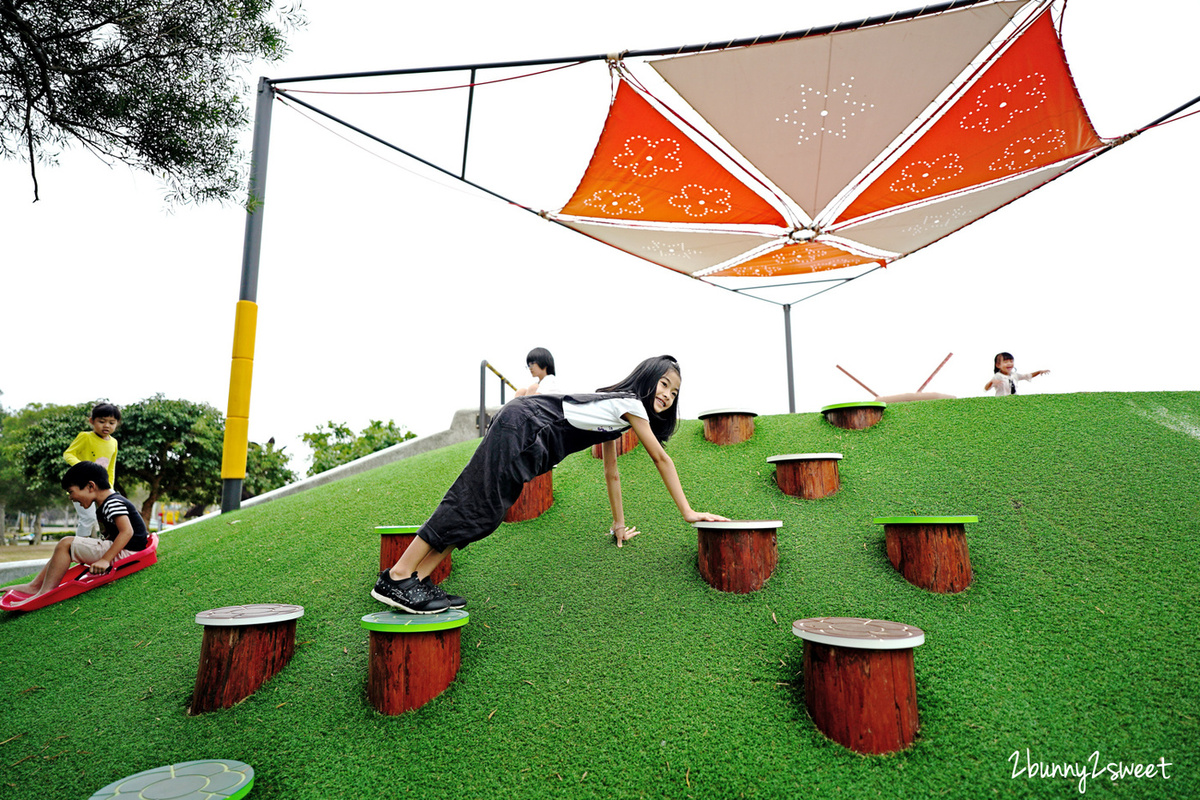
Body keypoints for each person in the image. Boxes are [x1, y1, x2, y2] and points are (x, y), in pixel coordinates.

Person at [371, 354, 728, 614]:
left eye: (674, 392)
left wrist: (618, 524)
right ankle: (399, 576)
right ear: (648, 379)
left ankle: (416, 583)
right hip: (524, 428)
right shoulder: (630, 404)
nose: (667, 394)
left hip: (527, 438)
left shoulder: (616, 412)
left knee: (485, 513)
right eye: (664, 384)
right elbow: (660, 458)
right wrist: (688, 511)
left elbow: (611, 471)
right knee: (473, 502)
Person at [7, 461, 150, 601]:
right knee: (65, 546)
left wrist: (105, 560)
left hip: (128, 553)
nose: (70, 497)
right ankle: (34, 586)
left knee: (66, 544)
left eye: (71, 492)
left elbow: (127, 532)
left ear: (90, 486)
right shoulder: (106, 503)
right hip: (123, 550)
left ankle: (45, 592)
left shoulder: (112, 502)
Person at [63, 402, 121, 537]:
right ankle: (77, 551)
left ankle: (107, 545)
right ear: (92, 421)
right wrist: (84, 468)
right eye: (102, 421)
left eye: (112, 422)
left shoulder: (114, 443)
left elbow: (111, 468)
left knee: (109, 516)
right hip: (81, 487)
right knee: (88, 519)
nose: (106, 425)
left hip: (101, 487)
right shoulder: (85, 437)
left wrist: (109, 487)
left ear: (116, 423)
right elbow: (68, 454)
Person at [984, 352, 1050, 396]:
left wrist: (1038, 372)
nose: (1009, 363)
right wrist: (991, 382)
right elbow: (986, 388)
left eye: (1011, 361)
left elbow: (1027, 376)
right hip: (1001, 399)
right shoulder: (998, 376)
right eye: (1006, 362)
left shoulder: (1014, 375)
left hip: (1013, 399)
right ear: (998, 365)